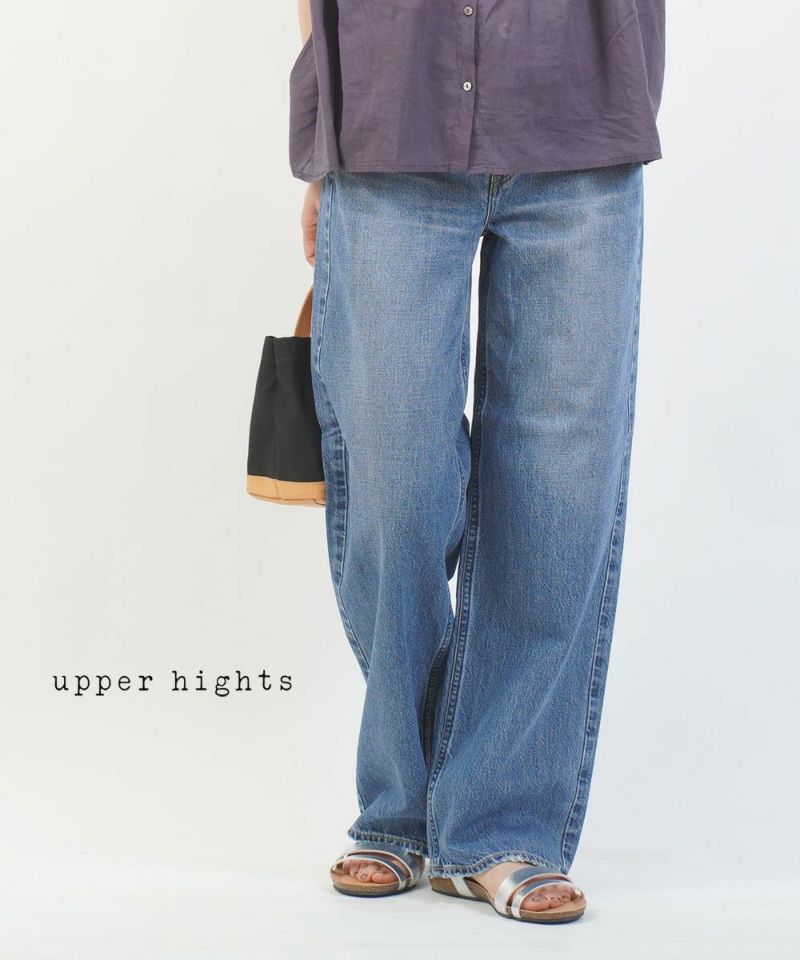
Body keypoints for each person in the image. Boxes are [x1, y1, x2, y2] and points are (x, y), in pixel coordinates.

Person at [292, 0, 665, 924]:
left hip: (581, 121)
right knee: (396, 482)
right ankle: (407, 796)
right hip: (387, 117)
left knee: (556, 497)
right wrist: (326, 129)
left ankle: (499, 826)